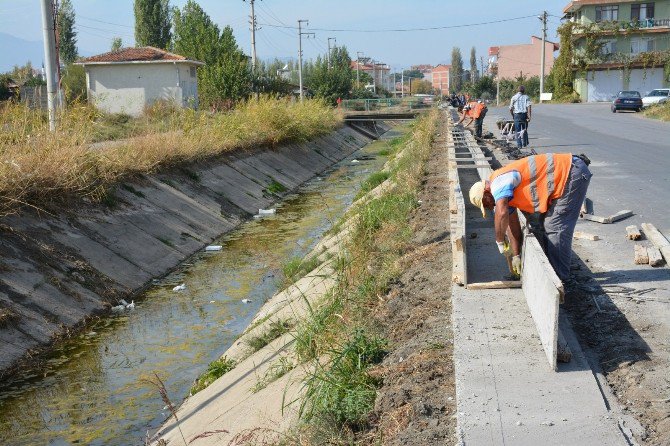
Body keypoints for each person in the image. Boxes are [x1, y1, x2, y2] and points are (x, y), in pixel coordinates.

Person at [468, 153, 592, 282]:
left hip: (571, 173)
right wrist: (516, 255)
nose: (489, 207)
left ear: (486, 191)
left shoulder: (498, 183)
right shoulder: (505, 197)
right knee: (544, 223)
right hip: (566, 176)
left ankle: (560, 280)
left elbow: (502, 213)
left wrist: (499, 240)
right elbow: (513, 228)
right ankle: (554, 269)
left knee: (555, 226)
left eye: (485, 203)